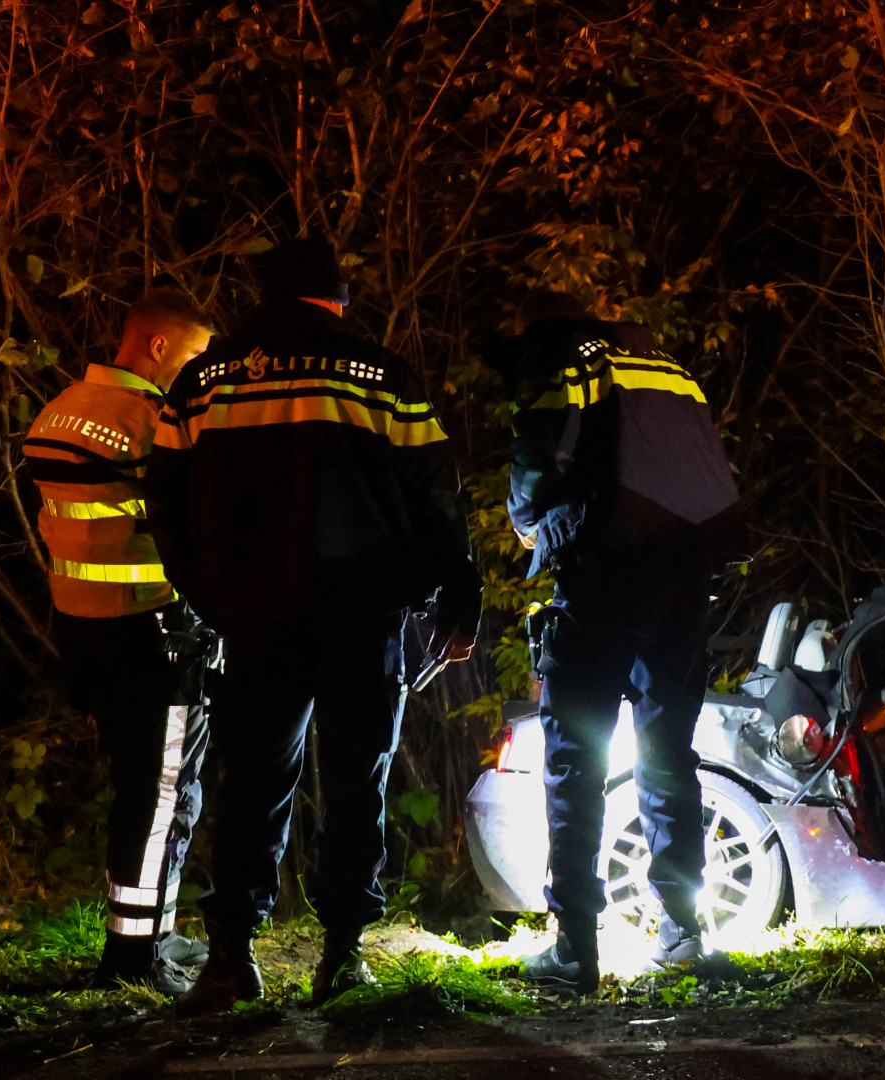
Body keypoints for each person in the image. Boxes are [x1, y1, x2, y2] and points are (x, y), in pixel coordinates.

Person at [146, 238, 481, 1014]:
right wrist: (457, 594)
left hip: (256, 610)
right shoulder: (379, 374)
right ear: (338, 301)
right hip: (364, 607)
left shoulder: (203, 381)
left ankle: (230, 957)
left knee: (252, 777)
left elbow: (163, 499)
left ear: (264, 299)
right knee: (358, 775)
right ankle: (342, 954)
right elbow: (436, 491)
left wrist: (212, 593)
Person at [485, 292, 742, 994]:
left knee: (575, 754)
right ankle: (685, 932)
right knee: (668, 754)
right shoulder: (662, 364)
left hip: (604, 565)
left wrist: (528, 521)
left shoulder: (558, 355)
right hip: (686, 572)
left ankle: (575, 946)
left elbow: (538, 449)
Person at [21, 288, 217, 996]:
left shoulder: (61, 409)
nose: (199, 371)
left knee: (140, 788)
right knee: (162, 792)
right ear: (159, 346)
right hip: (153, 631)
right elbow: (194, 520)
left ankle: (151, 928)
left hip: (83, 626)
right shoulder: (149, 421)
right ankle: (135, 957)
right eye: (194, 355)